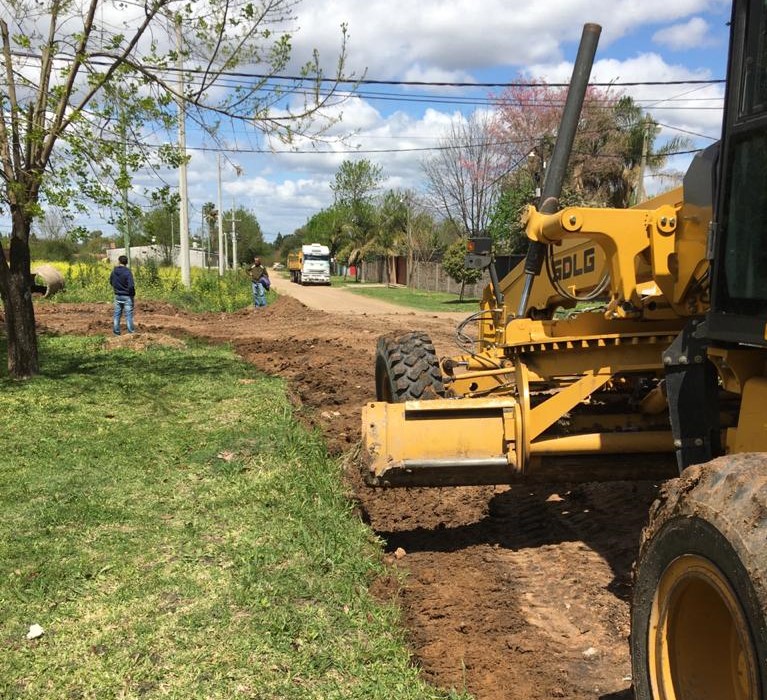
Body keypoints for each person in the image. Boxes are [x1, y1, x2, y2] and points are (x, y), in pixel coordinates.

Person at [109, 254, 136, 335]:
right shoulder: (127, 272)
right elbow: (131, 285)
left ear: (119, 261)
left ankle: (116, 333)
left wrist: (117, 289)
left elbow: (111, 281)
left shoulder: (114, 271)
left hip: (117, 295)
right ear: (126, 262)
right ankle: (131, 333)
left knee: (117, 314)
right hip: (127, 296)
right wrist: (132, 293)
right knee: (128, 316)